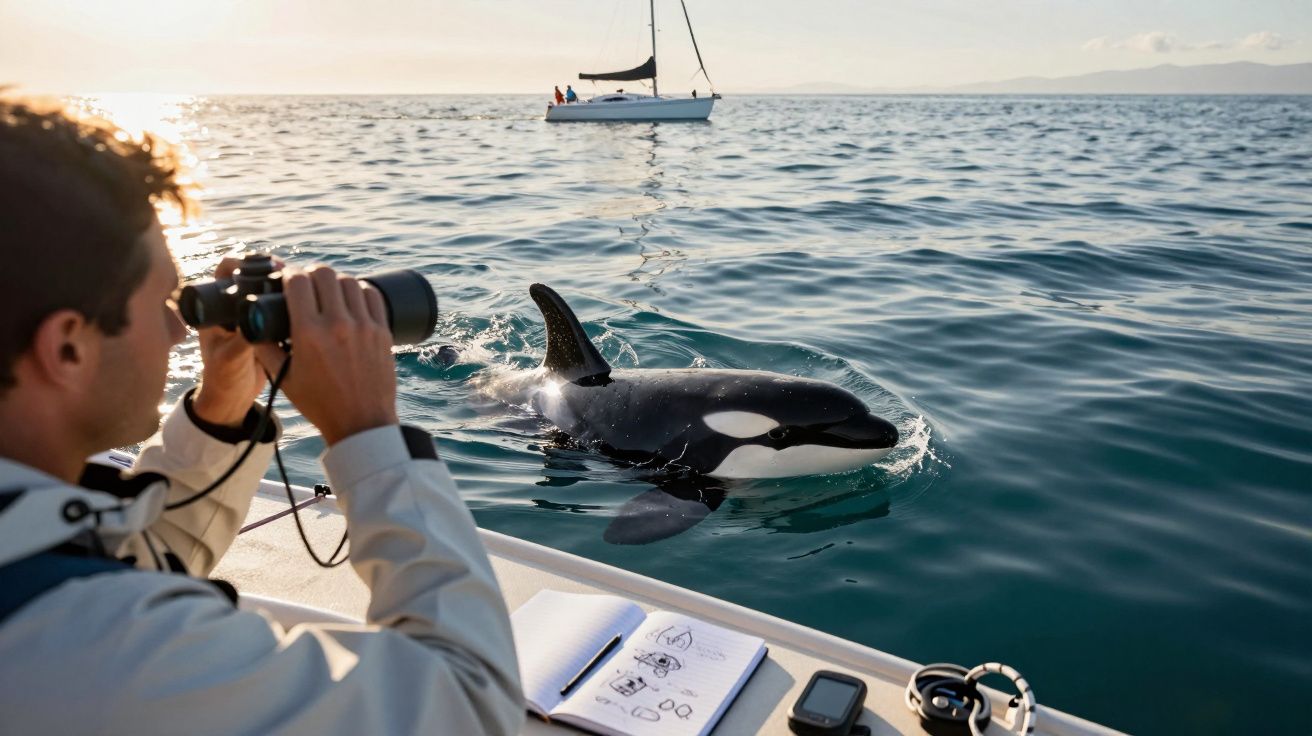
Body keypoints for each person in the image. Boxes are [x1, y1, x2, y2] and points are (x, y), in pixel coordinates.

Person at [0, 99, 524, 733]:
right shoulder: (107, 656)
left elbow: (118, 566)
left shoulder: (44, 586)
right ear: (66, 348)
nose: (177, 330)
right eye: (162, 302)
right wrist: (368, 431)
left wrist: (222, 407)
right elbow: (470, 708)